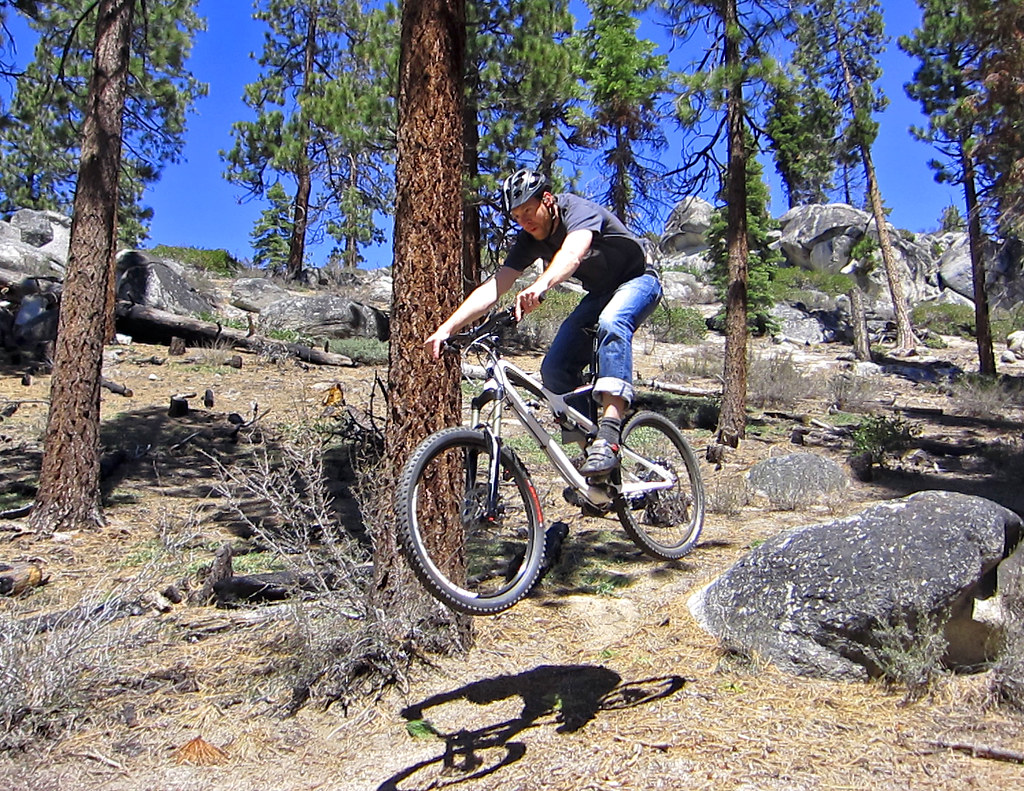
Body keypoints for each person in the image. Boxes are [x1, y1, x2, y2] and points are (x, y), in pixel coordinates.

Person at [425, 168, 662, 477]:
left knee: (611, 320)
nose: (525, 221)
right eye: (517, 216)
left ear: (547, 199)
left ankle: (610, 433)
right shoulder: (528, 239)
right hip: (600, 293)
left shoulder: (576, 210)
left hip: (638, 281)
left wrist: (541, 284)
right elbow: (495, 287)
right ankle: (595, 464)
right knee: (554, 368)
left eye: (528, 210)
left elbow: (573, 254)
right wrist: (447, 328)